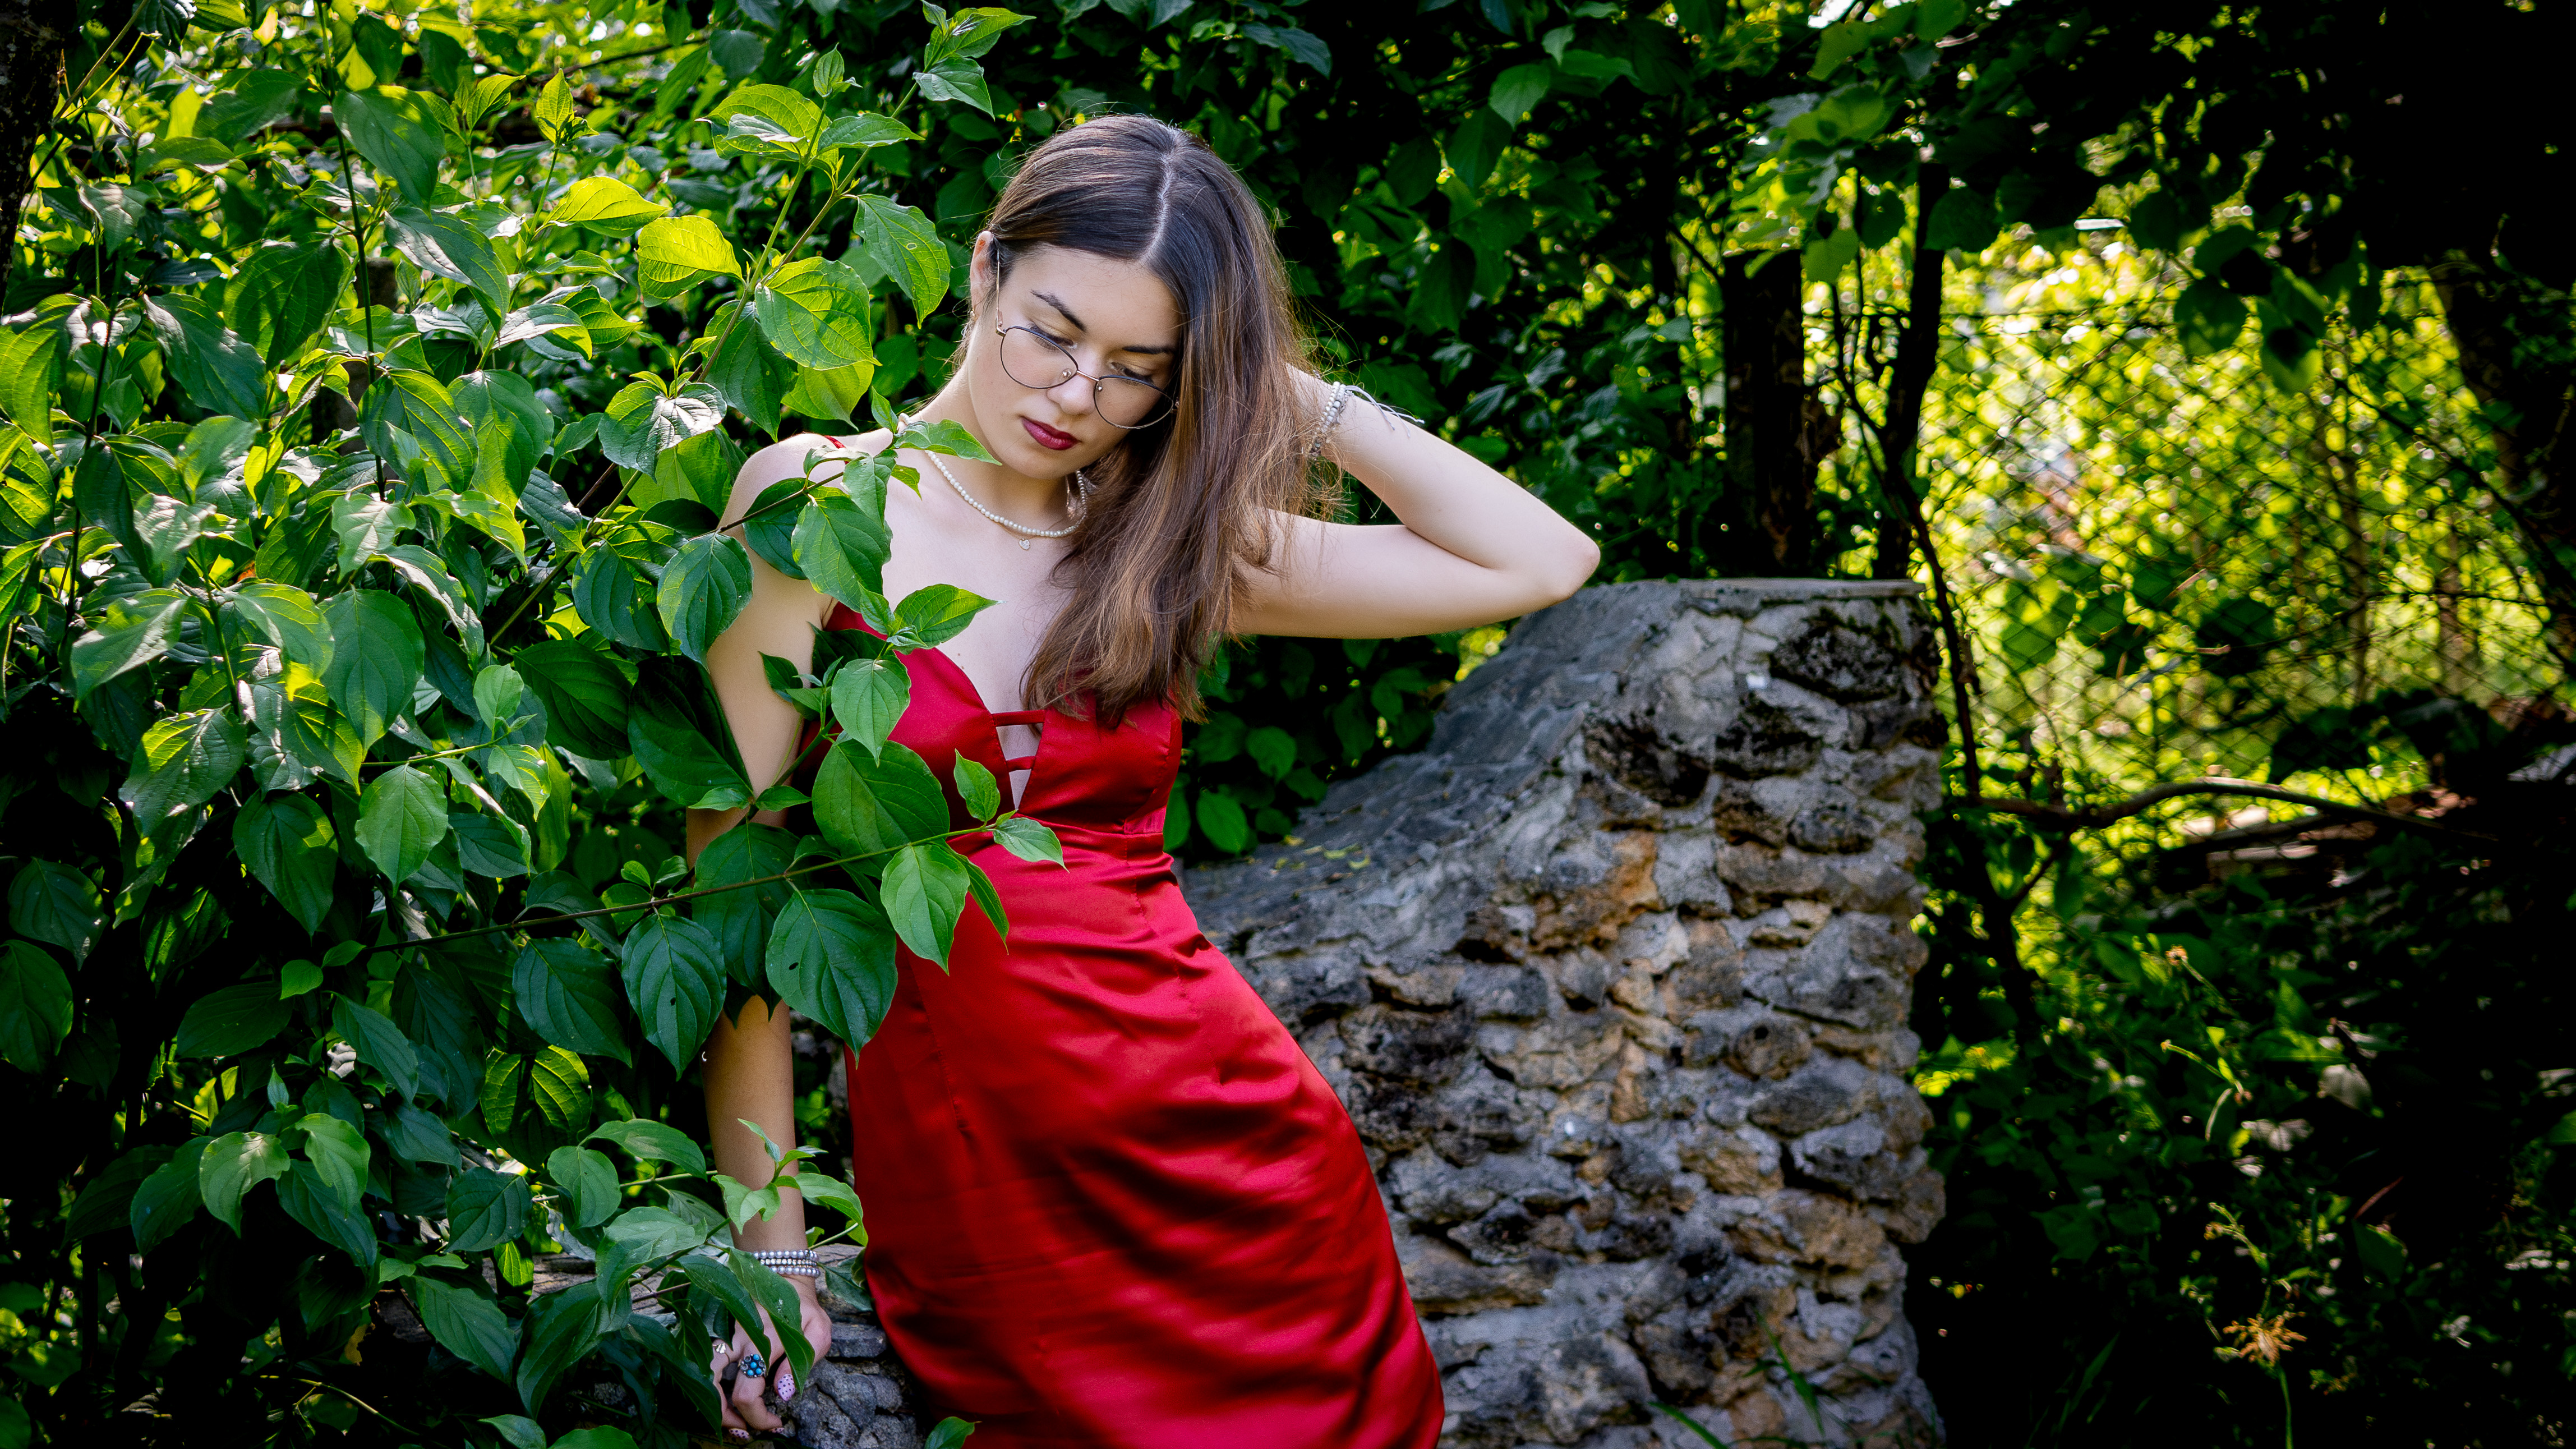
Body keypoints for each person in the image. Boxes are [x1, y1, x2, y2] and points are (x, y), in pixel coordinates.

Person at [688, 113, 1598, 1446]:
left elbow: (1538, 559)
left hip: (1245, 1167)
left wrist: (1288, 392)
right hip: (990, 1192)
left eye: (1135, 369)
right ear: (985, 266)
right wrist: (767, 1248)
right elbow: (733, 897)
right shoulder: (810, 507)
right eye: (1050, 332)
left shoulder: (1164, 545)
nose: (1074, 395)